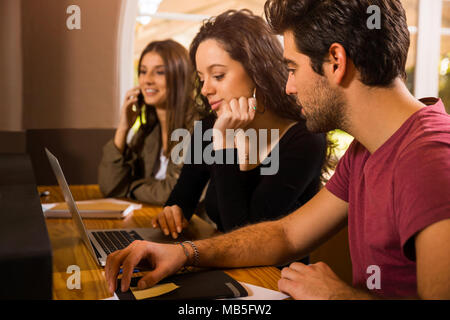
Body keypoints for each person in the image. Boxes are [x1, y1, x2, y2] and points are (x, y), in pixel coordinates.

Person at [105, 0, 450, 299]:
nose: (288, 85)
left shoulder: (431, 157)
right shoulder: (364, 151)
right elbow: (284, 234)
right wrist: (184, 253)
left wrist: (338, 296)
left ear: (335, 61)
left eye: (292, 68)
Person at [151, 10, 331, 240]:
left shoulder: (304, 139)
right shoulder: (210, 128)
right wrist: (173, 212)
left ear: (258, 71)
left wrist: (225, 144)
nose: (206, 90)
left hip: (273, 274)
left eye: (218, 76)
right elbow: (181, 198)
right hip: (221, 263)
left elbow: (246, 236)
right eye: (202, 78)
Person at [98, 40, 197, 205]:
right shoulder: (149, 130)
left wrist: (131, 188)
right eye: (143, 72)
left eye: (159, 72)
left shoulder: (197, 126)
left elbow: (175, 192)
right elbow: (111, 187)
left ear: (180, 77)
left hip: (195, 226)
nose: (147, 80)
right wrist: (123, 128)